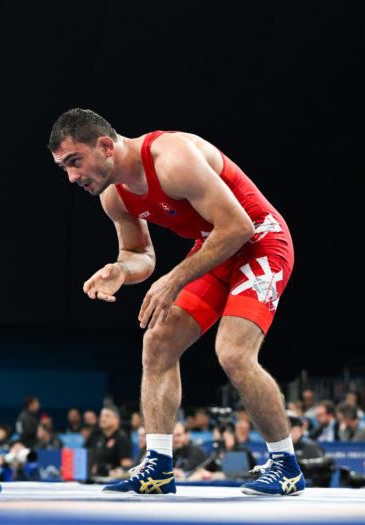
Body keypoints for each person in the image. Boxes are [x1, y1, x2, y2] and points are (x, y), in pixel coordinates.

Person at [50, 109, 302, 496]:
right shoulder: (115, 196)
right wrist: (121, 269)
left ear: (105, 147)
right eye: (64, 167)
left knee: (233, 353)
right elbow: (139, 254)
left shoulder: (172, 158)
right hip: (216, 248)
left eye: (74, 161)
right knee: (158, 343)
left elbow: (239, 227)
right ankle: (158, 467)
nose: (71, 177)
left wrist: (175, 278)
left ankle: (286, 466)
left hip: (260, 241)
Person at [289, 413, 331, 487]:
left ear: (300, 430)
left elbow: (326, 467)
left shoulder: (312, 447)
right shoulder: (284, 448)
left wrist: (304, 465)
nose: (287, 433)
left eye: (291, 429)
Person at [89, 406, 133, 478]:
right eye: (101, 416)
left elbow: (126, 467)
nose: (102, 419)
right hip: (97, 479)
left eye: (107, 416)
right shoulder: (98, 437)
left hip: (113, 480)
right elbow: (95, 464)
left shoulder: (122, 438)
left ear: (116, 420)